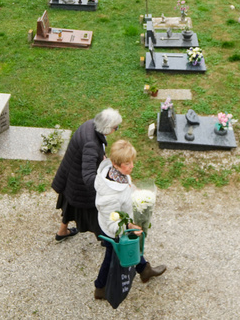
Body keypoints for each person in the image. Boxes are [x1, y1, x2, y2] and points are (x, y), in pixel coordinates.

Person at [93, 140, 165, 300]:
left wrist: (136, 192)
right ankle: (100, 288)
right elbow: (113, 222)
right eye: (127, 163)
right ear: (115, 164)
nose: (131, 166)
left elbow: (126, 187)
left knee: (125, 251)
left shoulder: (119, 175)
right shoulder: (109, 195)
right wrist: (130, 225)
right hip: (115, 231)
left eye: (132, 161)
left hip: (123, 224)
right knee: (111, 256)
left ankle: (144, 269)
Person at [51, 108, 122, 242]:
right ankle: (108, 240)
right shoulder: (91, 144)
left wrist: (102, 157)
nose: (116, 130)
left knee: (69, 206)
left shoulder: (90, 124)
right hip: (80, 185)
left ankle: (62, 231)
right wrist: (105, 187)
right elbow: (89, 177)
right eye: (116, 128)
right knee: (97, 216)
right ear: (107, 128)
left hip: (70, 177)